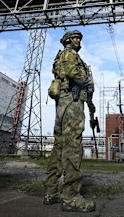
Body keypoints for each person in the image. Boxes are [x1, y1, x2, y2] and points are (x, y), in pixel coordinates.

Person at [43, 30, 96, 212]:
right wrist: (88, 81)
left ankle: (51, 192)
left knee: (59, 146)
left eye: (80, 38)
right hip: (71, 104)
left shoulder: (63, 56)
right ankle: (71, 196)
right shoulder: (70, 54)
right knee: (73, 145)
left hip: (63, 105)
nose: (78, 40)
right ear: (67, 41)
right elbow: (76, 75)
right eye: (75, 38)